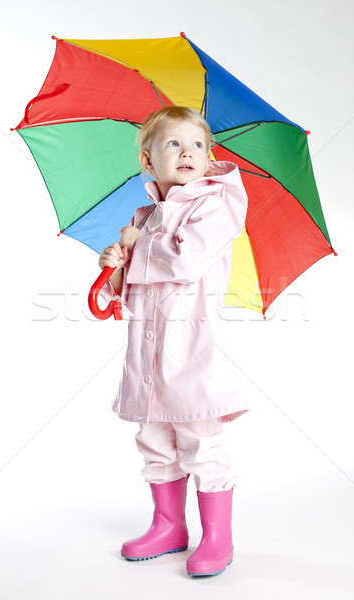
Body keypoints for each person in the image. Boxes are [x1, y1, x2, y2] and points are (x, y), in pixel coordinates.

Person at [99, 106, 249, 577]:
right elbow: (123, 295)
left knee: (200, 442)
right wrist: (116, 264)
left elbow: (184, 263)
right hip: (147, 355)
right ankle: (168, 525)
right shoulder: (145, 216)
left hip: (192, 352)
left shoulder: (218, 203)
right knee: (154, 441)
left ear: (209, 158)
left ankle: (217, 536)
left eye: (198, 145)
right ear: (148, 161)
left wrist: (139, 246)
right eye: (173, 144)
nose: (188, 152)